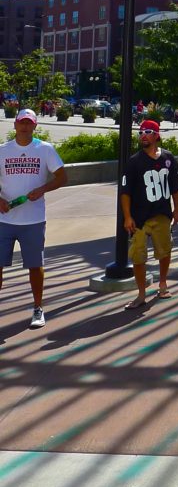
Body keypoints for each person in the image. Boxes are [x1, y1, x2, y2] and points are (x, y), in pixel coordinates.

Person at [0, 108, 68, 329]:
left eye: (29, 123)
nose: (25, 127)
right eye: (22, 122)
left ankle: (38, 308)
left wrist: (43, 189)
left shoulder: (45, 149)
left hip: (33, 220)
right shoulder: (3, 151)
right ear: (15, 125)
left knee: (35, 266)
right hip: (4, 220)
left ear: (35, 126)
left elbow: (62, 177)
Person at [120, 119, 178, 310]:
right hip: (139, 218)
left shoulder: (168, 159)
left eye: (147, 132)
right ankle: (141, 294)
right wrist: (127, 217)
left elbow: (175, 187)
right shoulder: (134, 162)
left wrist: (177, 209)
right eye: (141, 132)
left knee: (164, 251)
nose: (143, 136)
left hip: (162, 214)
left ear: (156, 135)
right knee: (138, 256)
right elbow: (125, 192)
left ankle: (162, 285)